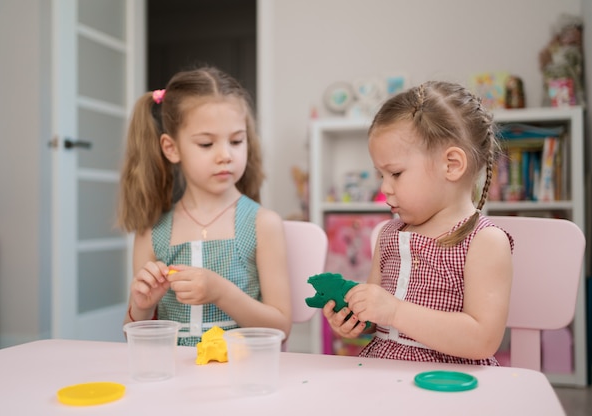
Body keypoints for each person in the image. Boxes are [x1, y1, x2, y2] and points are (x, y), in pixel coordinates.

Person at [323, 81, 514, 365]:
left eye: (396, 174)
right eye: (381, 176)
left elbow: (482, 340)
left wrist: (395, 312)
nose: (385, 188)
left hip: (449, 380)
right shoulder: (388, 235)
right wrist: (356, 319)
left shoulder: (485, 241)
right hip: (383, 371)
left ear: (451, 165)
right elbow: (378, 319)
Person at [118, 67, 292, 346]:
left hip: (241, 376)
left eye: (236, 140)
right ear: (171, 148)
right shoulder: (152, 232)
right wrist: (140, 307)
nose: (225, 155)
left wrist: (221, 293)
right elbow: (132, 337)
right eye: (206, 143)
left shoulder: (262, 223)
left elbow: (281, 329)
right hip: (175, 382)